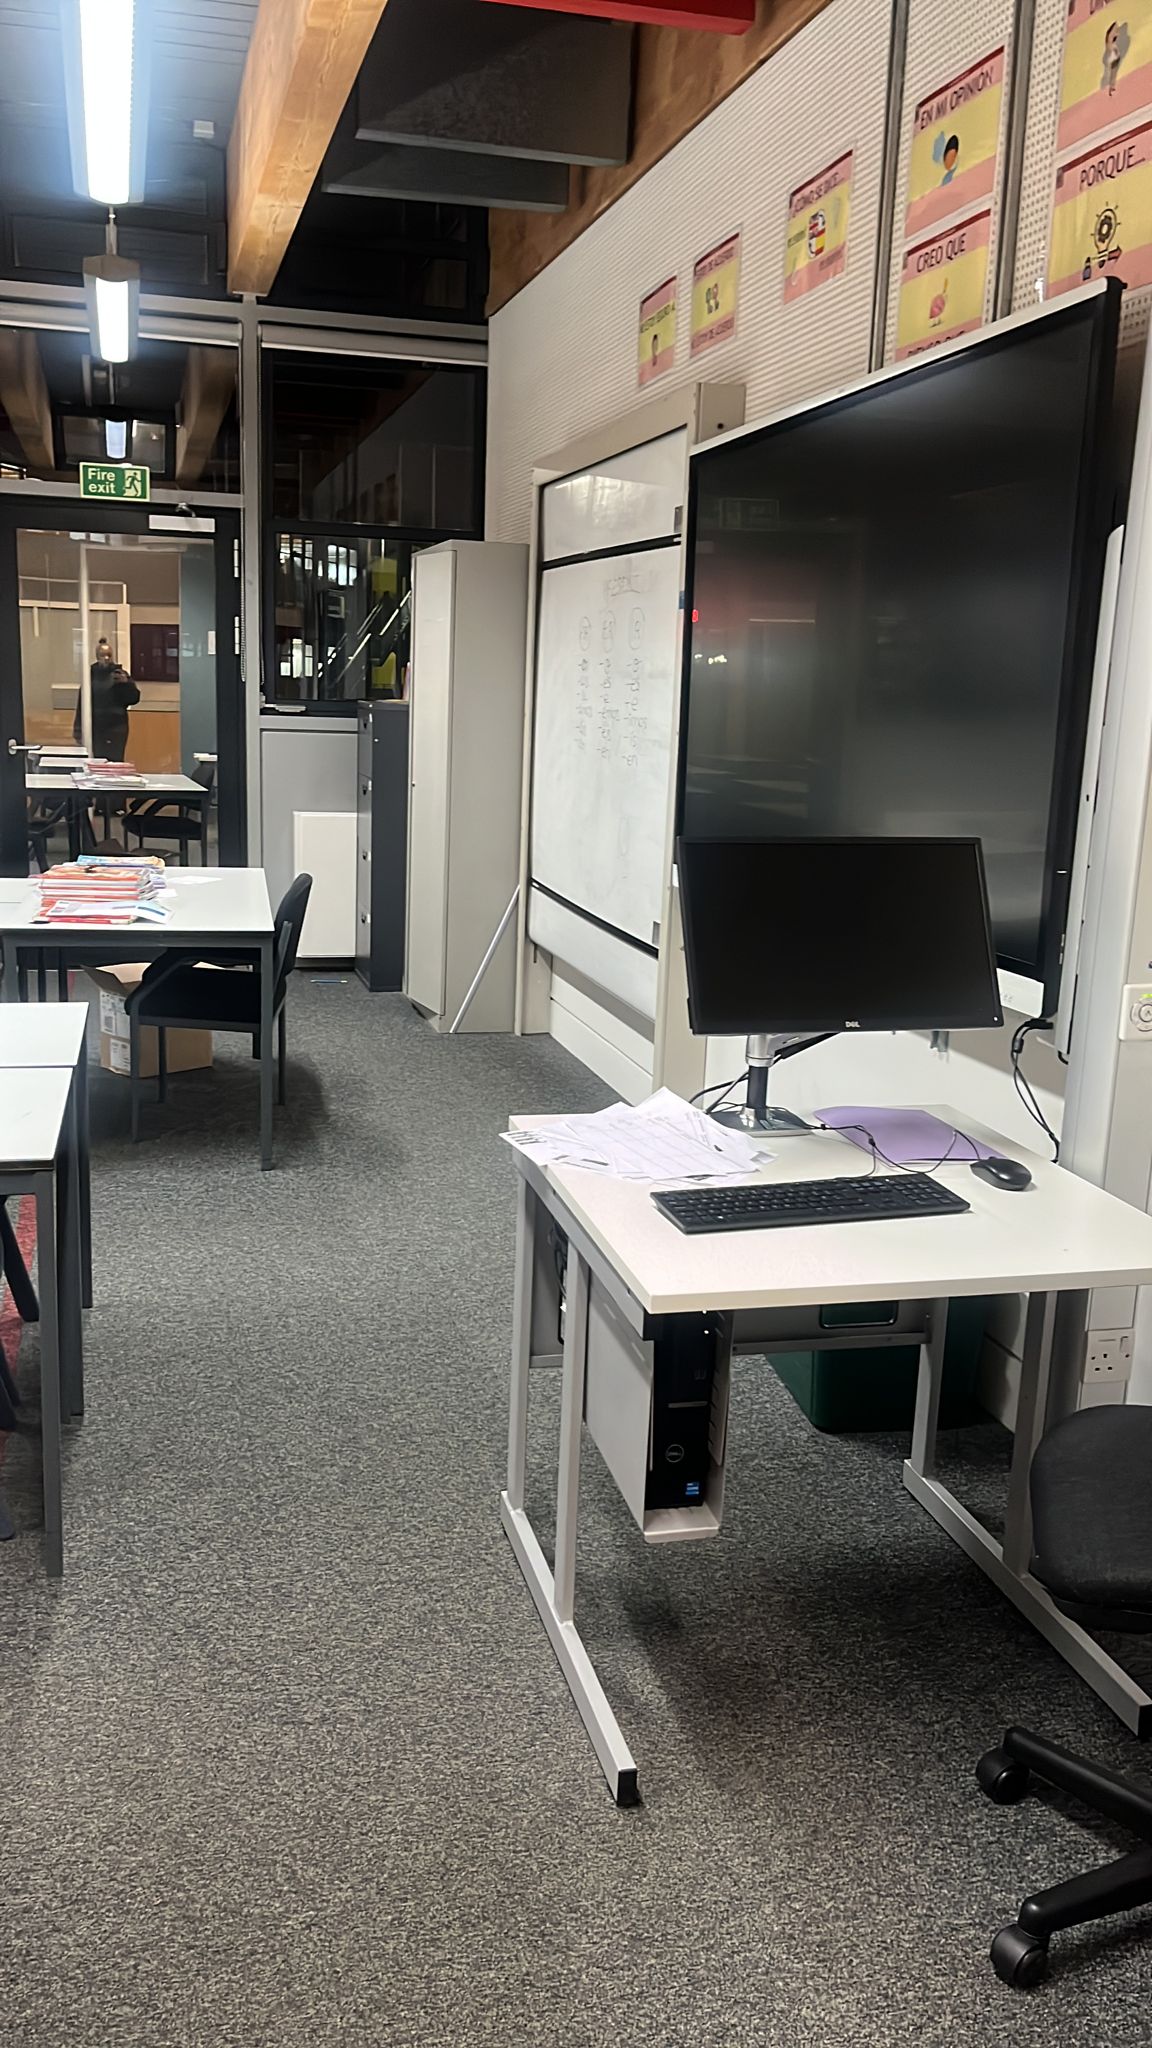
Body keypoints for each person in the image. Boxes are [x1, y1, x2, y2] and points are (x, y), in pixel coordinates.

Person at [73, 637, 140, 760]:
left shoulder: (120, 674)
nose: (106, 658)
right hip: (95, 727)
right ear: (97, 656)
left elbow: (133, 699)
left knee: (115, 760)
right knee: (95, 760)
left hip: (116, 727)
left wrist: (126, 684)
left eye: (109, 655)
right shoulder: (90, 676)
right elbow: (82, 704)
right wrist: (78, 730)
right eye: (103, 655)